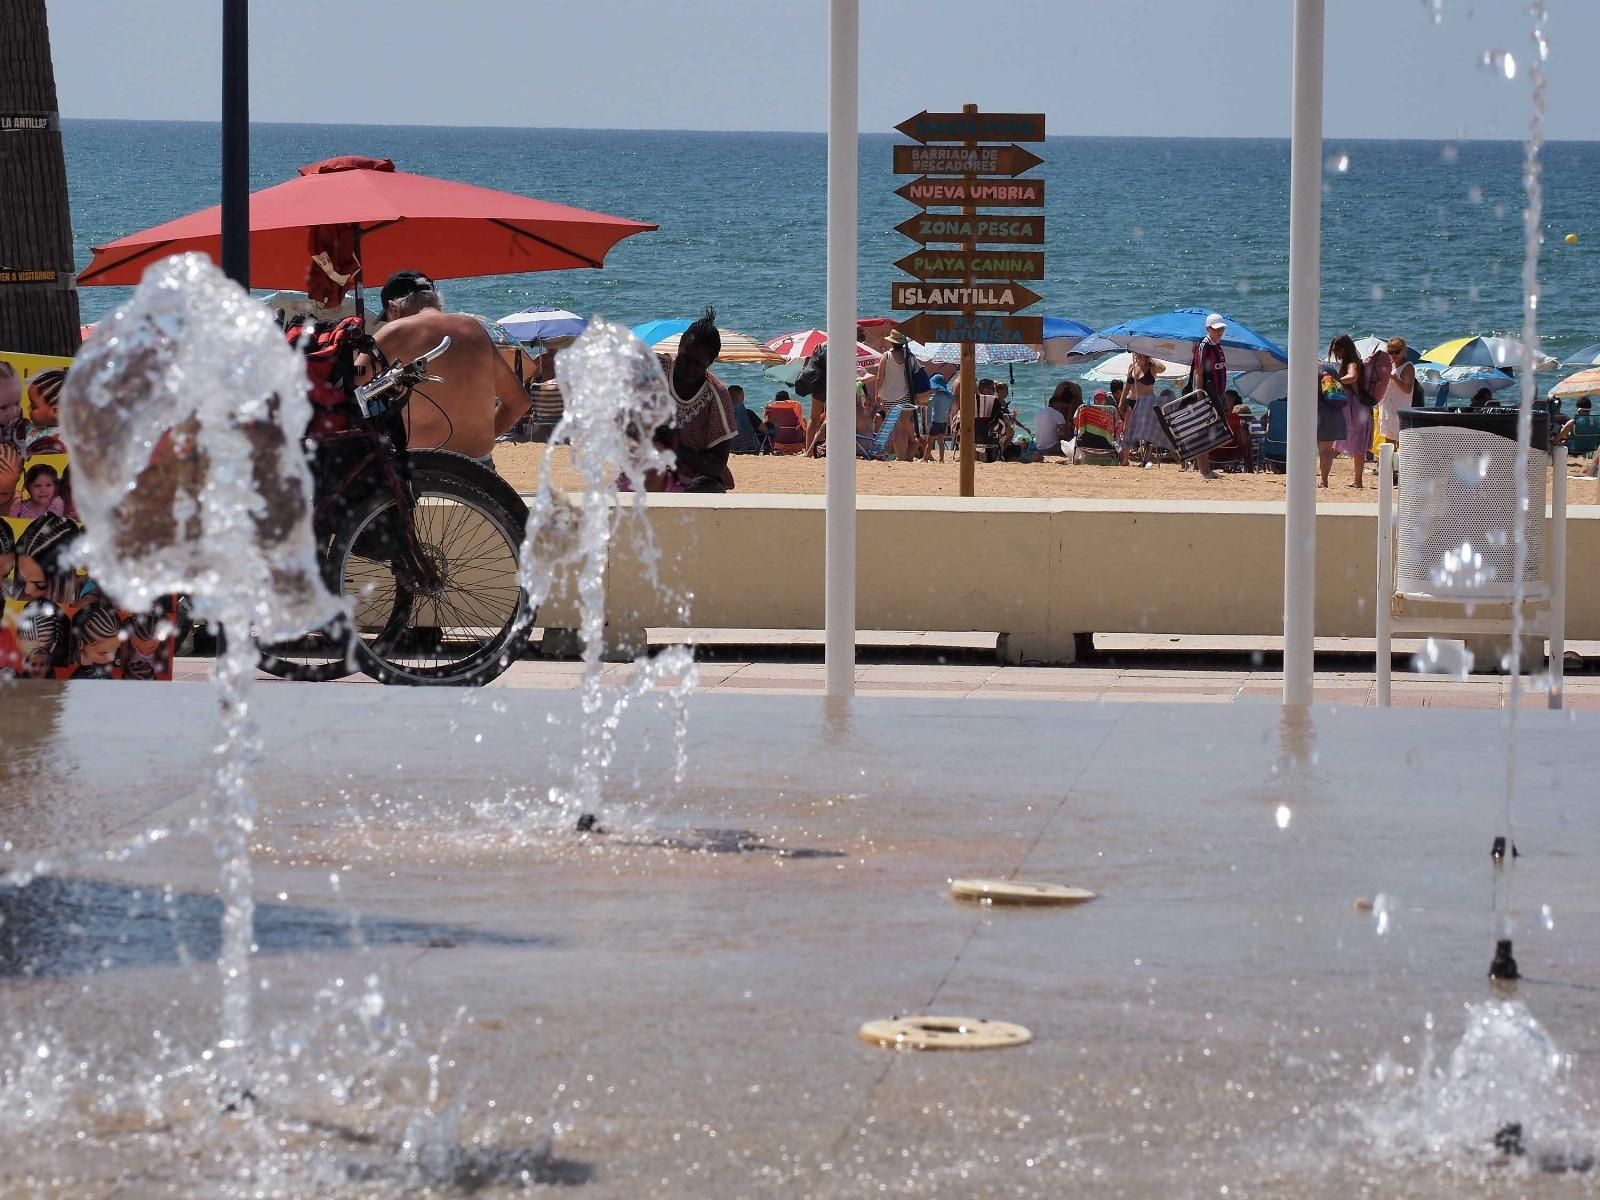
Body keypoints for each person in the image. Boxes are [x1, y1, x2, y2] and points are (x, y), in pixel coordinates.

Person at [363, 270, 533, 466]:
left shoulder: (395, 331)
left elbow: (346, 387)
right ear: (435, 300)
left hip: (421, 468)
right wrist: (483, 439)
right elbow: (519, 402)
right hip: (479, 468)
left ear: (393, 308)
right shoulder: (474, 328)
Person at [655, 307, 739, 491]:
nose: (688, 368)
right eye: (685, 358)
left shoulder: (716, 395)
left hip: (694, 479)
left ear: (710, 362)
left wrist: (677, 448)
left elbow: (717, 466)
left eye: (697, 364)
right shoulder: (654, 370)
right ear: (679, 346)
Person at [1330, 334, 1384, 489]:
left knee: (1347, 443)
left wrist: (1337, 381)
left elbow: (1352, 377)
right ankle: (1356, 480)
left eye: (1337, 350)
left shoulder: (1351, 363)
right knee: (1350, 444)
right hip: (1359, 408)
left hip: (1355, 410)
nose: (1336, 354)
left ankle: (1356, 480)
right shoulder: (1355, 361)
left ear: (1345, 349)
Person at [1186, 313, 1229, 479]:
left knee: (1212, 430)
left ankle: (1207, 468)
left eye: (1221, 329)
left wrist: (1222, 394)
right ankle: (1203, 470)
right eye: (1216, 329)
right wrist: (1199, 393)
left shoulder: (1218, 345)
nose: (1219, 332)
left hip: (1217, 393)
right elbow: (1199, 371)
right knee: (1203, 431)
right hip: (1206, 393)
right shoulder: (1204, 346)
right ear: (1208, 329)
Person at [1119, 352, 1172, 466]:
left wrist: (1150, 359)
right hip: (1132, 401)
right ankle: (1125, 458)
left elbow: (1163, 368)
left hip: (1147, 402)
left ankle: (1145, 458)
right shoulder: (1132, 366)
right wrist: (1121, 401)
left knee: (1147, 431)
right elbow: (1127, 385)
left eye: (1141, 353)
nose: (1138, 355)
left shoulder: (1152, 367)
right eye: (1137, 353)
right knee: (1127, 429)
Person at [1377, 338, 1418, 445]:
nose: (1394, 355)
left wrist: (1395, 379)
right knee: (1388, 442)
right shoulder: (1390, 364)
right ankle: (1389, 462)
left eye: (1397, 352)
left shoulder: (1408, 367)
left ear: (1403, 351)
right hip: (1387, 407)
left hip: (1400, 409)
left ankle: (1399, 462)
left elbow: (1408, 390)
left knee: (1402, 443)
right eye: (1391, 352)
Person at [1034, 379, 1081, 458]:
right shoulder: (1057, 414)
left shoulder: (1039, 412)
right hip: (1052, 448)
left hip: (1039, 447)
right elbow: (1066, 434)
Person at [922, 374, 954, 462]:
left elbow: (928, 409)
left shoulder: (934, 397)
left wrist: (928, 423)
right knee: (941, 442)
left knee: (930, 442)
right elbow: (950, 411)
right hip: (944, 422)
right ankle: (941, 459)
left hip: (935, 421)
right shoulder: (949, 397)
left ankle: (924, 459)